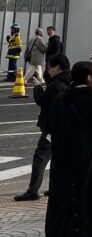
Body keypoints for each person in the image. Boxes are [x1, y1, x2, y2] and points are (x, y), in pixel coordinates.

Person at [45, 61, 92, 237]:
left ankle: (65, 230)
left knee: (64, 195)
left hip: (63, 154)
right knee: (91, 195)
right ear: (89, 78)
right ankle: (91, 230)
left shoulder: (61, 98)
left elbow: (49, 126)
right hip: (90, 153)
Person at [14, 52, 71, 202]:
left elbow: (41, 101)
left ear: (58, 67)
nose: (48, 70)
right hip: (67, 128)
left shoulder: (56, 85)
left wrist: (38, 87)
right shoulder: (69, 81)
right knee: (60, 158)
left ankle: (33, 190)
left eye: (49, 67)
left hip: (53, 128)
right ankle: (56, 187)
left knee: (40, 157)